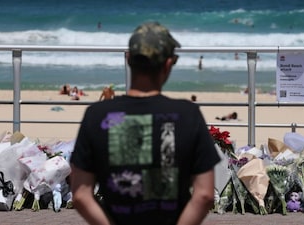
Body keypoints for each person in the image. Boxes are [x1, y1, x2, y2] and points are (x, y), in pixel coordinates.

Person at [70, 21, 220, 225]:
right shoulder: (188, 114)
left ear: (128, 59)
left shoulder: (96, 115)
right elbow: (204, 195)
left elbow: (80, 195)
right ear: (168, 65)